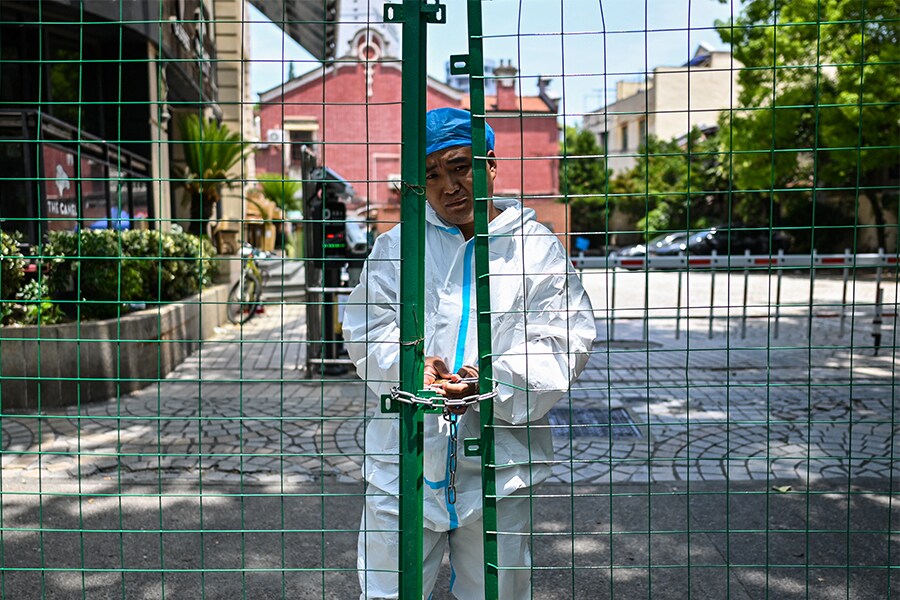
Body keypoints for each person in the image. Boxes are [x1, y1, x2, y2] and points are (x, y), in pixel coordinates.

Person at [342, 107, 596, 599]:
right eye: (431, 175)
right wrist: (412, 366)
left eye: (460, 166)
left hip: (502, 461)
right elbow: (365, 326)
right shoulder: (399, 246)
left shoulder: (533, 248)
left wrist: (489, 379)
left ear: (491, 164)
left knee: (497, 591)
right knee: (389, 590)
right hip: (407, 458)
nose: (448, 186)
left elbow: (566, 337)